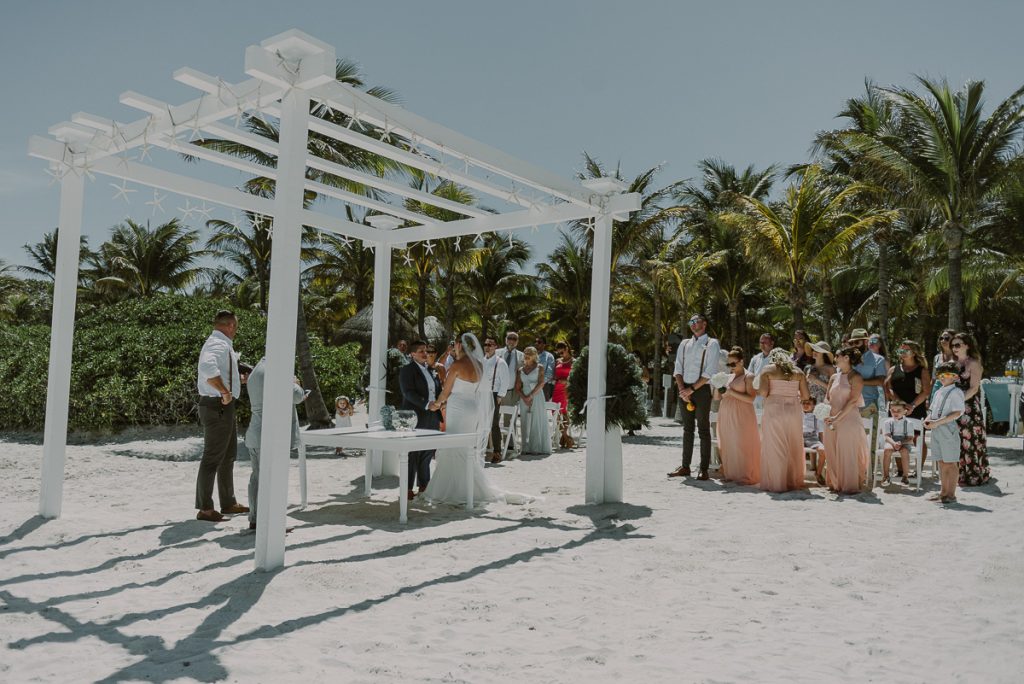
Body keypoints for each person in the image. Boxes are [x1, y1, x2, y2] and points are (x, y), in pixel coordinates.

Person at [424, 333, 525, 505]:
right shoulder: (479, 364)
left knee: (454, 445)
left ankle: (453, 488)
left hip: (457, 408)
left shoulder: (456, 366)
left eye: (455, 344)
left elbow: (445, 392)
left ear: (459, 345)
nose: (454, 347)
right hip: (472, 408)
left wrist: (434, 405)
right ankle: (470, 485)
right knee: (466, 447)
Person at [195, 310, 248, 523]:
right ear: (230, 325)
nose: (236, 330)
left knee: (228, 456)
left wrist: (235, 383)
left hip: (222, 406)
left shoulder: (220, 344)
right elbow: (208, 369)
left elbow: (219, 370)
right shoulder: (217, 344)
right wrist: (225, 392)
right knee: (212, 458)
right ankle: (205, 509)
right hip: (217, 405)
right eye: (236, 326)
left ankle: (228, 502)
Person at [244, 358, 306, 531]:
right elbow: (297, 396)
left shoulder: (256, 371)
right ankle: (271, 523)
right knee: (273, 480)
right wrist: (295, 382)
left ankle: (255, 520)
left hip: (256, 432)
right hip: (272, 435)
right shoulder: (277, 369)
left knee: (257, 478)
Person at [668, 313, 720, 480]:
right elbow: (678, 368)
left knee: (703, 429)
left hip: (702, 390)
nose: (692, 324)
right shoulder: (684, 343)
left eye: (695, 321)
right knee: (687, 429)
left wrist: (691, 389)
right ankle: (685, 466)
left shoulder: (712, 343)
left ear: (704, 324)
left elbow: (709, 372)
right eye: (690, 321)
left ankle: (703, 469)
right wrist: (683, 389)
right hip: (684, 389)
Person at [757, 347, 809, 492]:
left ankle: (777, 482)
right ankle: (791, 480)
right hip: (793, 410)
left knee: (775, 444)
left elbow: (763, 392)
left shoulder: (767, 370)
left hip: (774, 408)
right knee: (793, 443)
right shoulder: (799, 372)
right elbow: (805, 396)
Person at [399, 340, 443, 499]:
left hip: (433, 415)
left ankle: (424, 485)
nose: (425, 353)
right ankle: (407, 489)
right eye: (421, 351)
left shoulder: (431, 370)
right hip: (415, 415)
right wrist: (426, 404)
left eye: (426, 350)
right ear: (412, 354)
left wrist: (439, 402)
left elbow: (438, 389)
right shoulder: (407, 370)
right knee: (412, 453)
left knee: (428, 450)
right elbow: (408, 393)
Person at [824, 346, 869, 494]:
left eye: (837, 356)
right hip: (831, 419)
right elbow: (827, 397)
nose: (835, 359)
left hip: (848, 419)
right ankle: (835, 483)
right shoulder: (833, 377)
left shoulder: (856, 377)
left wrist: (838, 418)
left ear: (846, 358)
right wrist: (824, 412)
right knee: (831, 451)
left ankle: (849, 485)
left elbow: (852, 401)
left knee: (847, 451)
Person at [884, 340, 931, 468]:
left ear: (914, 353)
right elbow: (888, 388)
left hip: (916, 408)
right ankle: (901, 470)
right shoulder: (894, 369)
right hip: (896, 409)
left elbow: (926, 391)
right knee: (897, 439)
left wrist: (912, 405)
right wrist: (901, 404)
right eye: (901, 350)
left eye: (906, 350)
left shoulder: (922, 370)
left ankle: (918, 470)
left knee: (917, 438)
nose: (903, 353)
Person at [717, 346, 760, 485]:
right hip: (726, 413)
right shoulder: (728, 377)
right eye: (728, 364)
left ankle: (745, 475)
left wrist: (731, 392)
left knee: (742, 443)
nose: (730, 367)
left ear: (741, 361)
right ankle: (731, 474)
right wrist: (718, 385)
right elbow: (717, 397)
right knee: (728, 443)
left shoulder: (749, 376)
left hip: (742, 414)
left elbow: (751, 398)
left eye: (733, 364)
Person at [952, 332, 990, 486]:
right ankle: (960, 475)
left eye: (958, 345)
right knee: (957, 441)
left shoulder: (974, 363)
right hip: (954, 407)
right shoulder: (952, 364)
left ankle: (975, 475)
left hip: (969, 408)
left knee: (972, 441)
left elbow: (974, 388)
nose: (954, 348)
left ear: (967, 345)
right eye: (953, 345)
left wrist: (958, 401)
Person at [926, 362, 966, 504]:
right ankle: (943, 492)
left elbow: (957, 413)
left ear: (955, 377)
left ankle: (951, 494)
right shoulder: (938, 391)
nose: (942, 377)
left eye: (947, 375)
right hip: (936, 428)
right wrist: (928, 420)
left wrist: (937, 422)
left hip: (948, 428)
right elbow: (932, 410)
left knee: (950, 462)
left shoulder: (956, 392)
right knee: (941, 461)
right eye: (940, 375)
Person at [516, 346, 551, 455]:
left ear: (534, 355)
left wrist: (530, 396)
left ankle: (536, 447)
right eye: (525, 353)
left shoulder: (539, 367)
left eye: (530, 353)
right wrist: (524, 398)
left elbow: (541, 383)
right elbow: (517, 387)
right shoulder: (520, 370)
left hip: (536, 395)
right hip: (524, 397)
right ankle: (526, 447)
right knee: (525, 420)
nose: (527, 355)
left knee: (536, 420)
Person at [482, 335, 510, 463]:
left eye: (490, 345)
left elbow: (505, 381)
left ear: (495, 347)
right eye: (486, 345)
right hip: (482, 395)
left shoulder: (500, 362)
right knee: (481, 423)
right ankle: (481, 449)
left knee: (494, 424)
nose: (487, 347)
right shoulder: (482, 361)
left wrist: (500, 396)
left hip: (494, 395)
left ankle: (497, 452)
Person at [847, 328, 886, 414]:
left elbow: (881, 381)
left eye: (857, 342)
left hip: (868, 406)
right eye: (851, 343)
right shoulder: (846, 358)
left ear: (865, 342)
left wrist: (859, 382)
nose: (854, 345)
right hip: (847, 406)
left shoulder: (879, 359)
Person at [500, 331, 525, 452]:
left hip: (512, 391)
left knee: (510, 420)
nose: (511, 340)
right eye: (509, 338)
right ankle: (493, 444)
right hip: (498, 391)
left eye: (514, 339)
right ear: (505, 339)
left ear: (517, 341)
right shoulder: (498, 353)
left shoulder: (521, 355)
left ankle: (508, 445)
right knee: (493, 418)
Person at [881, 399, 915, 486]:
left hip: (904, 442)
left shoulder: (908, 423)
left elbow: (910, 438)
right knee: (887, 450)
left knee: (904, 451)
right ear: (890, 411)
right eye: (893, 410)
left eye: (899, 411)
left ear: (905, 411)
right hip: (891, 440)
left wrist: (901, 442)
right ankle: (886, 476)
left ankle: (905, 476)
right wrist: (893, 443)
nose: (895, 413)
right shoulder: (888, 422)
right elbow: (887, 436)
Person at [552, 340, 575, 448]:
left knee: (564, 412)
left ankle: (564, 437)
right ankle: (566, 437)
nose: (560, 355)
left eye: (562, 352)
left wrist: (566, 381)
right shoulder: (557, 361)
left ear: (567, 349)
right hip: (556, 389)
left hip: (566, 389)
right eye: (558, 353)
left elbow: (576, 378)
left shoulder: (574, 361)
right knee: (555, 412)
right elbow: (554, 375)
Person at [802, 397, 826, 485]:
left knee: (823, 451)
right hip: (798, 437)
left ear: (814, 406)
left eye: (808, 403)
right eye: (804, 403)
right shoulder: (797, 414)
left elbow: (820, 433)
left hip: (811, 438)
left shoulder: (817, 417)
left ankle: (818, 474)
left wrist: (821, 444)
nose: (805, 405)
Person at [930, 329, 956, 398]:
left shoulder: (958, 357)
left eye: (947, 338)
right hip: (937, 392)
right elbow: (933, 379)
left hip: (953, 392)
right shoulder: (937, 357)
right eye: (941, 338)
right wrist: (928, 398)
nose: (943, 341)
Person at [535, 336, 556, 401]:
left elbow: (549, 373)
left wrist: (540, 383)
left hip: (543, 386)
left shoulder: (549, 356)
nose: (536, 343)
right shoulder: (531, 355)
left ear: (544, 344)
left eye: (539, 342)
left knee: (543, 408)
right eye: (535, 342)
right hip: (530, 385)